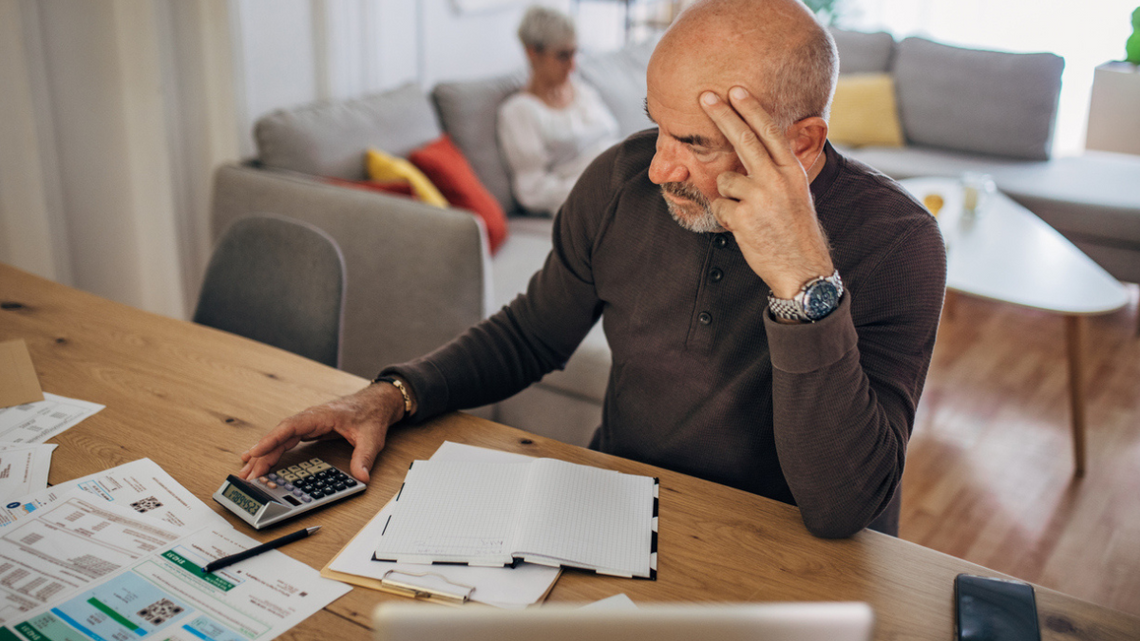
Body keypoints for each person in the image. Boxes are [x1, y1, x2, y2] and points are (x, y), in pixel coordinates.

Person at [240, 0, 946, 539]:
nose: (659, 165)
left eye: (696, 141)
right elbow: (529, 336)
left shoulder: (899, 245)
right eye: (657, 125)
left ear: (801, 140)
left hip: (781, 549)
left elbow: (842, 505)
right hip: (614, 513)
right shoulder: (620, 181)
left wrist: (802, 283)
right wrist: (391, 394)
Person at [497, 5, 620, 215]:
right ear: (532, 53)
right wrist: (597, 189)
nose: (573, 66)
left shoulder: (582, 91)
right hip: (594, 201)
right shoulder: (519, 112)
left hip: (623, 177)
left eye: (575, 53)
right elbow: (532, 190)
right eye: (563, 56)